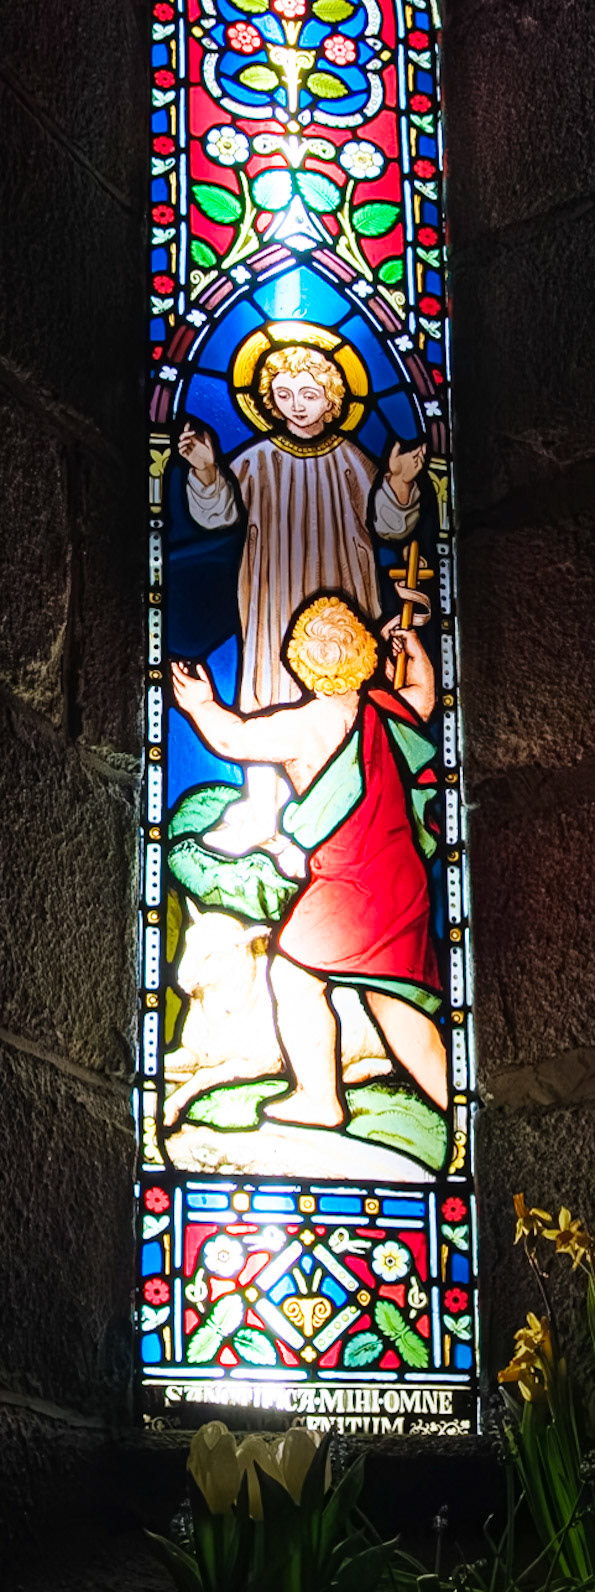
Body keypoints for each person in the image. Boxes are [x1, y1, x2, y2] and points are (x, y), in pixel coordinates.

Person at [172, 595, 447, 1128]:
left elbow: (234, 738)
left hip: (348, 880)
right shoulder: (384, 710)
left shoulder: (306, 725)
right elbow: (423, 698)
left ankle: (320, 1099)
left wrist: (200, 704)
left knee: (294, 974)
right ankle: (455, 1111)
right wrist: (414, 649)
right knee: (393, 1002)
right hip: (401, 879)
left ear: (301, 661)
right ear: (362, 653)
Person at [179, 340, 427, 848]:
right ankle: (262, 806)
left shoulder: (353, 460)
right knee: (268, 684)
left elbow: (390, 524)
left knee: (350, 690)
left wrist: (400, 482)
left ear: (332, 399)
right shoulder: (256, 459)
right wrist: (205, 471)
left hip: (344, 592)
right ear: (268, 399)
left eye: (310, 394)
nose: (296, 404)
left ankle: (357, 801)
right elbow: (217, 515)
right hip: (273, 595)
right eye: (284, 393)